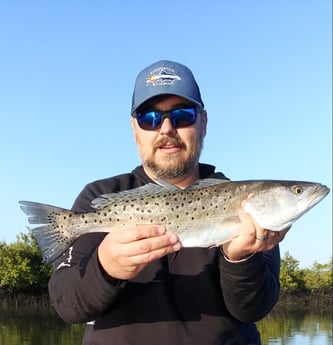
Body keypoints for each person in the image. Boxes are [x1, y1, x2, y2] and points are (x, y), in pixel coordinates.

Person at [48, 60, 288, 345]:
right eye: (150, 118)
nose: (166, 129)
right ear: (134, 129)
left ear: (204, 122)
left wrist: (240, 259)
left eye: (182, 115)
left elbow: (254, 309)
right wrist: (106, 266)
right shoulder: (99, 196)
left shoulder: (244, 203)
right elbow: (67, 305)